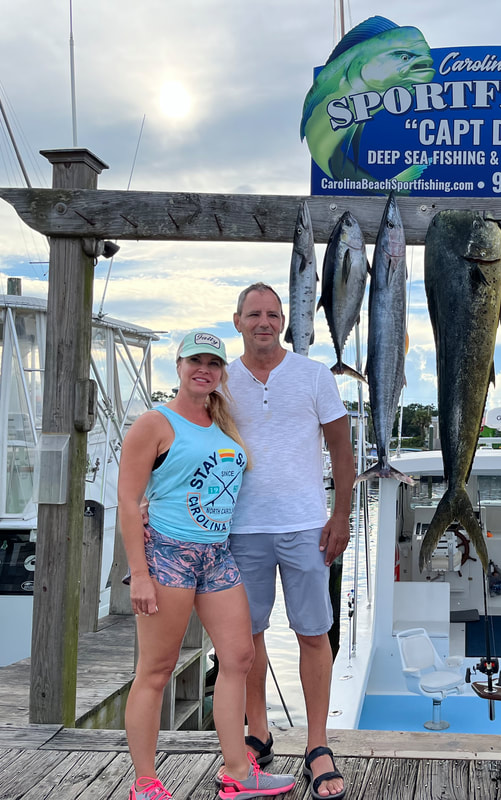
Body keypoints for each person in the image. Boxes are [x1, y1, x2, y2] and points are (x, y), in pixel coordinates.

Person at [118, 331, 295, 800]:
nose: (205, 369)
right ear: (178, 366)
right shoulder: (155, 423)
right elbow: (128, 500)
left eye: (213, 363)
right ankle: (145, 783)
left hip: (216, 555)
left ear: (222, 372)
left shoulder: (223, 425)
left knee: (239, 657)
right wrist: (139, 572)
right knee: (156, 670)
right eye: (195, 361)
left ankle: (238, 770)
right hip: (169, 555)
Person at [227, 283, 354, 800]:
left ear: (284, 321)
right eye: (254, 314)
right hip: (239, 528)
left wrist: (341, 515)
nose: (264, 321)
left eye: (273, 314)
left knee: (312, 633)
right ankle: (258, 730)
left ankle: (318, 743)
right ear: (237, 321)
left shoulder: (313, 375)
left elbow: (342, 450)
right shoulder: (220, 377)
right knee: (247, 638)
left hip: (305, 525)